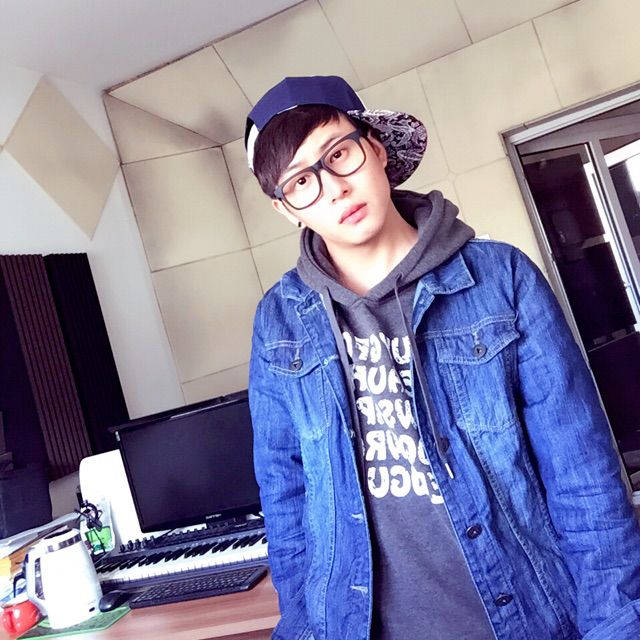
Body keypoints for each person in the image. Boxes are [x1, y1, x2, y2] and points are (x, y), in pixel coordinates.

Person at [245, 75, 640, 640]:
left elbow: (585, 480)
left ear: (376, 149)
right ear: (288, 209)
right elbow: (286, 500)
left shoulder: (501, 278)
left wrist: (615, 628)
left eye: (338, 155)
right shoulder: (279, 322)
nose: (332, 189)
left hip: (524, 620)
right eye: (302, 181)